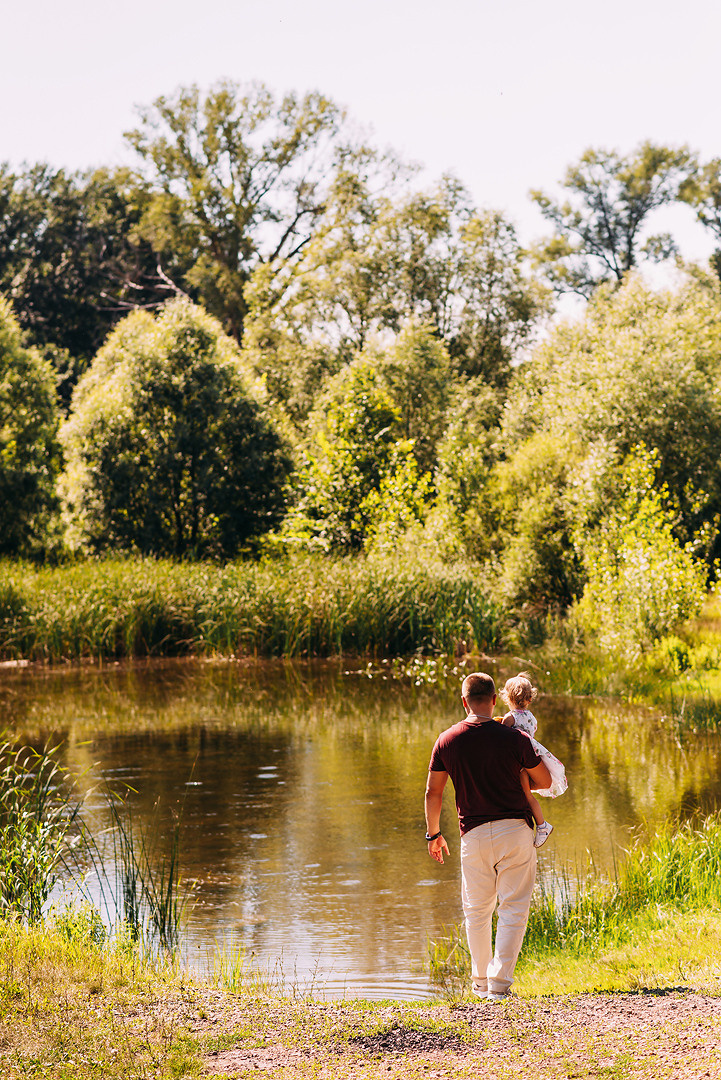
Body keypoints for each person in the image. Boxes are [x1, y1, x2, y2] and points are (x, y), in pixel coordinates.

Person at [424, 671, 552, 1001]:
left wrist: (433, 834)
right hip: (515, 831)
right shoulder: (515, 739)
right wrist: (517, 777)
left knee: (477, 912)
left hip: (474, 836)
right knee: (513, 910)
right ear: (494, 699)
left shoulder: (447, 740)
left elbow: (432, 793)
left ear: (464, 701)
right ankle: (499, 985)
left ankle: (479, 983)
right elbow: (544, 781)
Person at [499, 672, 568, 849]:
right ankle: (538, 823)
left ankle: (542, 824)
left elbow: (500, 738)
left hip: (519, 763)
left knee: (527, 795)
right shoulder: (531, 717)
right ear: (529, 699)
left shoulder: (510, 717)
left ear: (507, 697)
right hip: (529, 758)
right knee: (524, 792)